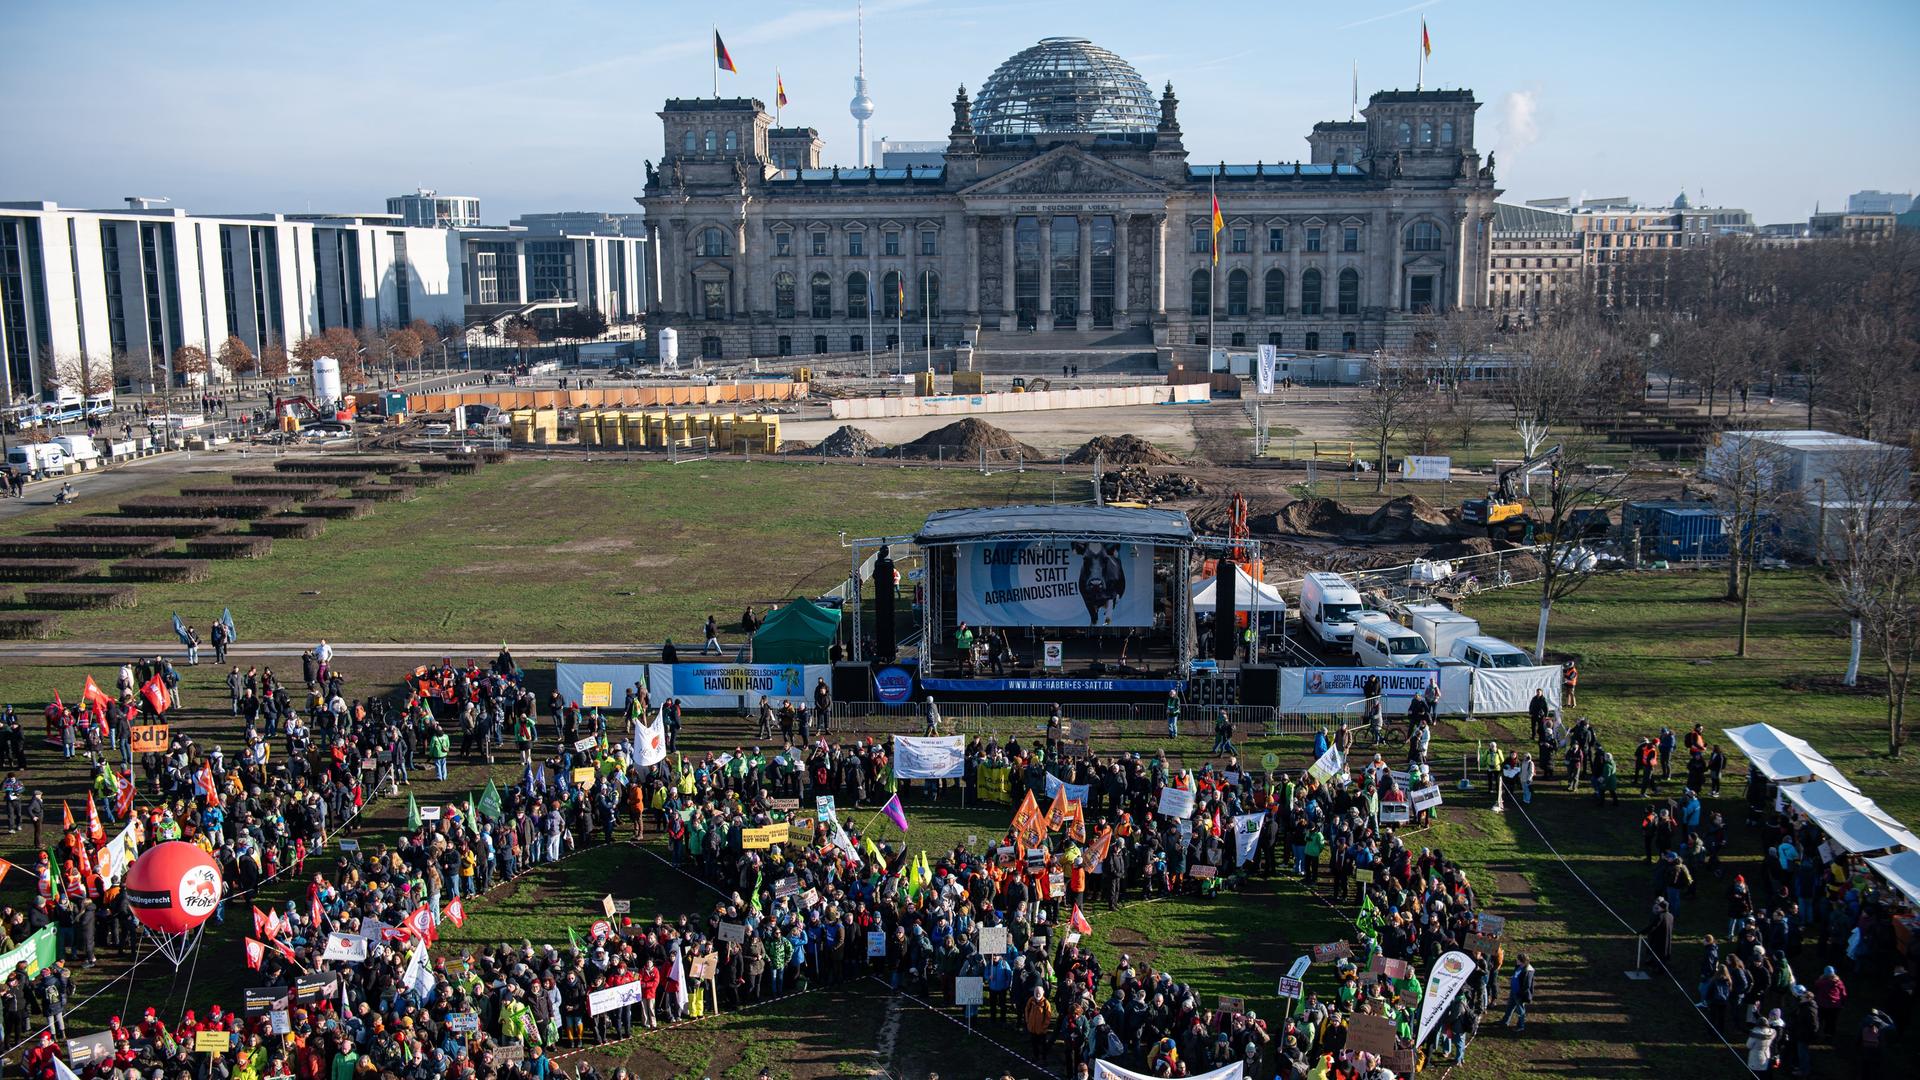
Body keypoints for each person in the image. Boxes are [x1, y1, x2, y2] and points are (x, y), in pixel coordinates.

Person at [1500, 954, 1534, 1031]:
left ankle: (1521, 1026)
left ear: (1522, 961)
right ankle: (1505, 1022)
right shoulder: (1519, 966)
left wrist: (1520, 994)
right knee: (1510, 1007)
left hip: (1519, 994)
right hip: (1514, 991)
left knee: (1520, 1010)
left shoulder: (1528, 971)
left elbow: (1527, 985)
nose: (1516, 960)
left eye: (1517, 959)